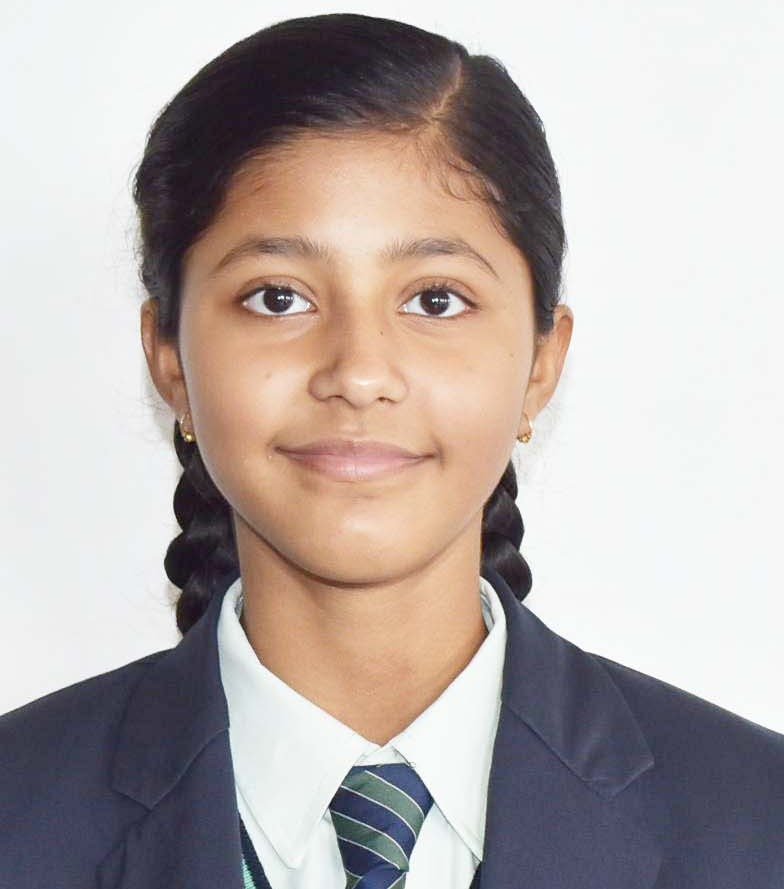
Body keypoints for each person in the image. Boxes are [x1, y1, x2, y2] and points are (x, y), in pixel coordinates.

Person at [1, 11, 782, 889]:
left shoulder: (759, 827)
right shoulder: (17, 818)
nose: (359, 372)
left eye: (435, 300)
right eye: (277, 297)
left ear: (541, 362)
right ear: (169, 358)